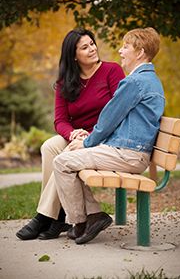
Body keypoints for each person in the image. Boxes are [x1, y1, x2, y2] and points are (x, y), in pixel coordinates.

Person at [52, 27, 165, 245]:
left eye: (126, 47)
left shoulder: (134, 83)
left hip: (128, 154)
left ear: (139, 52)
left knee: (62, 162)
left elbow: (108, 120)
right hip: (131, 152)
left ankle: (80, 221)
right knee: (71, 159)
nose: (120, 51)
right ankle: (92, 215)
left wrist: (86, 143)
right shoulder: (151, 79)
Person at [16, 28, 125, 240]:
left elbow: (118, 113)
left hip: (103, 137)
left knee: (64, 153)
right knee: (49, 146)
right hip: (78, 136)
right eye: (85, 47)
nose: (92, 48)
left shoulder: (112, 71)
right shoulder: (65, 81)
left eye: (92, 43)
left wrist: (90, 136)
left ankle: (46, 218)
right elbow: (60, 120)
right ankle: (56, 215)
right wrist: (73, 133)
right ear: (74, 56)